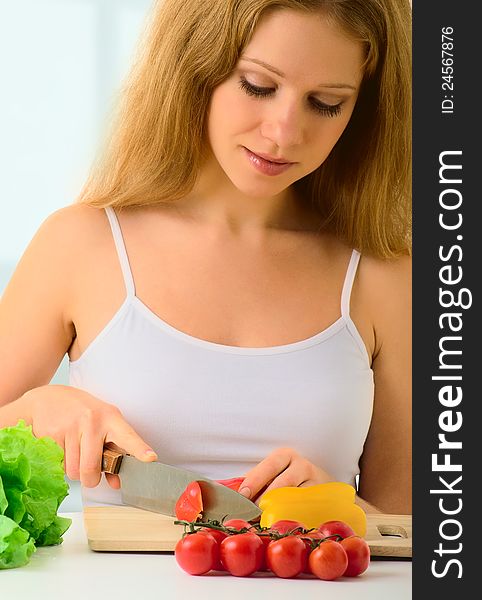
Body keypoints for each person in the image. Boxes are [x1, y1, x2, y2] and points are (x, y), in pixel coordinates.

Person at [0, 0, 411, 515]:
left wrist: (339, 507)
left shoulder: (386, 276)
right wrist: (32, 410)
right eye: (258, 86)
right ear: (196, 67)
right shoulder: (80, 244)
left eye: (326, 102)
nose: (284, 132)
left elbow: (414, 539)